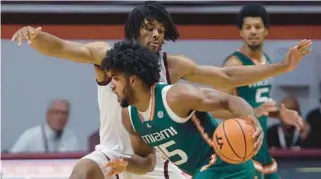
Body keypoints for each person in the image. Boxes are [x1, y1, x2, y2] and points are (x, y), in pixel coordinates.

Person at [11, 2, 311, 179]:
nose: (156, 35)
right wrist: (34, 36)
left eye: (161, 31)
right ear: (133, 29)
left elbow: (226, 76)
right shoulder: (107, 57)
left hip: (159, 160)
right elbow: (63, 47)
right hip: (115, 149)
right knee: (82, 172)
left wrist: (281, 68)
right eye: (150, 28)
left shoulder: (172, 66)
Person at [102, 40, 263, 178]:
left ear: (133, 81)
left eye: (116, 79)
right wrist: (126, 164)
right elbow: (148, 162)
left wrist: (251, 119)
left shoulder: (175, 97)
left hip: (228, 165)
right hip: (204, 173)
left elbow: (229, 100)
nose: (112, 86)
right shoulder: (129, 118)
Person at [213, 4, 311, 179]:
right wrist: (252, 113)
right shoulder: (234, 64)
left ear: (266, 31)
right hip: (242, 149)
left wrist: (280, 114)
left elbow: (261, 104)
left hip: (263, 149)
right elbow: (213, 108)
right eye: (247, 27)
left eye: (257, 27)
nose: (253, 31)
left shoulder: (267, 62)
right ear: (240, 32)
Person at [11, 99, 78, 153]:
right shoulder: (31, 135)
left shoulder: (71, 138)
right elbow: (10, 161)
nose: (60, 117)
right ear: (48, 114)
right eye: (56, 113)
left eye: (64, 113)